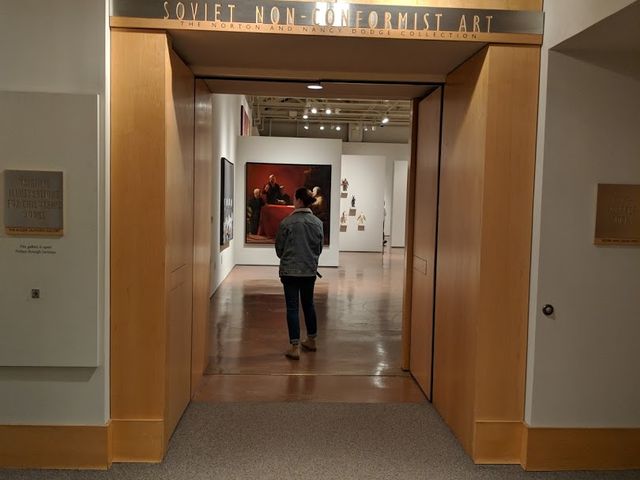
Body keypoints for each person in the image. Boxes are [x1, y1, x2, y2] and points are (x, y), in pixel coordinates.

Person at [275, 187, 324, 360]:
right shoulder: (317, 223)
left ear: (299, 200)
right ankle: (311, 340)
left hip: (289, 272)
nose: (293, 201)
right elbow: (318, 249)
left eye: (294, 198)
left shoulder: (286, 223)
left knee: (292, 308)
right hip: (309, 271)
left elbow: (279, 250)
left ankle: (295, 347)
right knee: (308, 305)